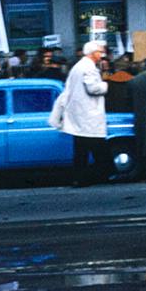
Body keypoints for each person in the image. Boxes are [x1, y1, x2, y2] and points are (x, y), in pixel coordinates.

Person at [49, 41, 109, 187]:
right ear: (93, 53)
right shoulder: (89, 68)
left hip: (80, 114)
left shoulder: (78, 67)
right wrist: (105, 84)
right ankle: (101, 174)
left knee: (82, 149)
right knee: (95, 147)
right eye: (100, 52)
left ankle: (81, 178)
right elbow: (93, 88)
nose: (102, 55)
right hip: (89, 114)